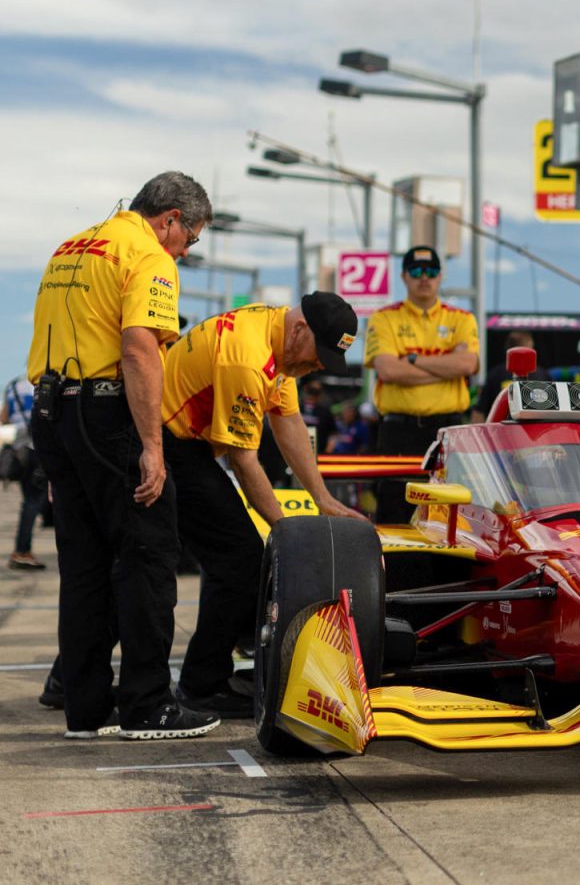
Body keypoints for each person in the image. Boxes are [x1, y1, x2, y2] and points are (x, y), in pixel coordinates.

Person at [26, 170, 219, 740]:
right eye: (191, 241)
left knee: (83, 567)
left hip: (51, 413)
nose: (185, 253)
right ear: (171, 221)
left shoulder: (72, 247)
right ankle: (148, 705)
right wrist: (153, 450)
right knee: (149, 555)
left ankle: (85, 709)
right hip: (106, 413)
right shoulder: (149, 256)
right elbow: (139, 352)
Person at [160, 294, 366, 715]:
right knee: (239, 559)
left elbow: (288, 421)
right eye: (318, 357)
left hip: (186, 446)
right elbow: (244, 459)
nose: (318, 368)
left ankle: (227, 658)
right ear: (299, 331)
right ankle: (202, 684)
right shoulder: (248, 359)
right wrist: (289, 531)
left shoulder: (276, 338)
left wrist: (322, 499)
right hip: (167, 444)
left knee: (236, 558)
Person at [366, 245, 480, 522]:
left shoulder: (461, 319)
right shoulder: (384, 318)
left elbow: (467, 365)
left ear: (441, 276)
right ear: (404, 276)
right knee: (395, 512)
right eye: (416, 271)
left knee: (451, 516)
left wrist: (413, 361)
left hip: (448, 432)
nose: (424, 277)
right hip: (397, 432)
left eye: (431, 271)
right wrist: (445, 367)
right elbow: (389, 371)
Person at [4, 375, 47, 570]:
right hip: (36, 447)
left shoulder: (12, 386)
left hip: (19, 449)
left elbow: (4, 418)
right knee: (33, 502)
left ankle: (21, 550)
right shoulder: (37, 383)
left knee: (28, 501)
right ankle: (22, 551)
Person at [471, 330, 542, 423]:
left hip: (502, 432)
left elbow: (479, 412)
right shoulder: (542, 374)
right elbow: (479, 411)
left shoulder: (494, 374)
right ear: (530, 347)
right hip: (531, 433)